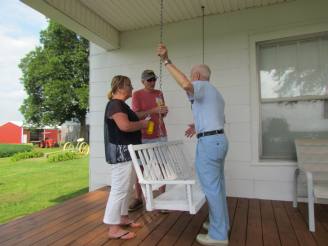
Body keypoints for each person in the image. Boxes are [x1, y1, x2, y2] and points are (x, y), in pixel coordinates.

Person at [157, 44, 229, 246]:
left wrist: (167, 61)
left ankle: (218, 235)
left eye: (191, 75)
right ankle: (221, 224)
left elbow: (186, 85)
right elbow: (218, 119)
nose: (191, 79)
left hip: (209, 143)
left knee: (211, 188)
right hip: (220, 140)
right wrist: (198, 126)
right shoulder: (216, 94)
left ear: (197, 75)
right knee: (219, 186)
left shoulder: (200, 85)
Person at [103, 75, 148, 240]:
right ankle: (113, 228)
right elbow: (125, 126)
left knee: (127, 188)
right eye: (129, 85)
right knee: (119, 189)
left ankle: (123, 218)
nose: (132, 87)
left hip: (129, 153)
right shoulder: (115, 105)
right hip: (122, 154)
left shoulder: (121, 105)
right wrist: (142, 125)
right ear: (120, 87)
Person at [128, 69, 169, 211]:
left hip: (160, 134)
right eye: (149, 80)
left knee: (163, 166)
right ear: (142, 81)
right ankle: (138, 198)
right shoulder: (137, 94)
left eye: (154, 79)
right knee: (140, 168)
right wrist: (152, 111)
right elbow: (136, 116)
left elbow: (161, 115)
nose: (152, 82)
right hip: (143, 135)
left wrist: (164, 112)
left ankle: (163, 199)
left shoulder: (159, 93)